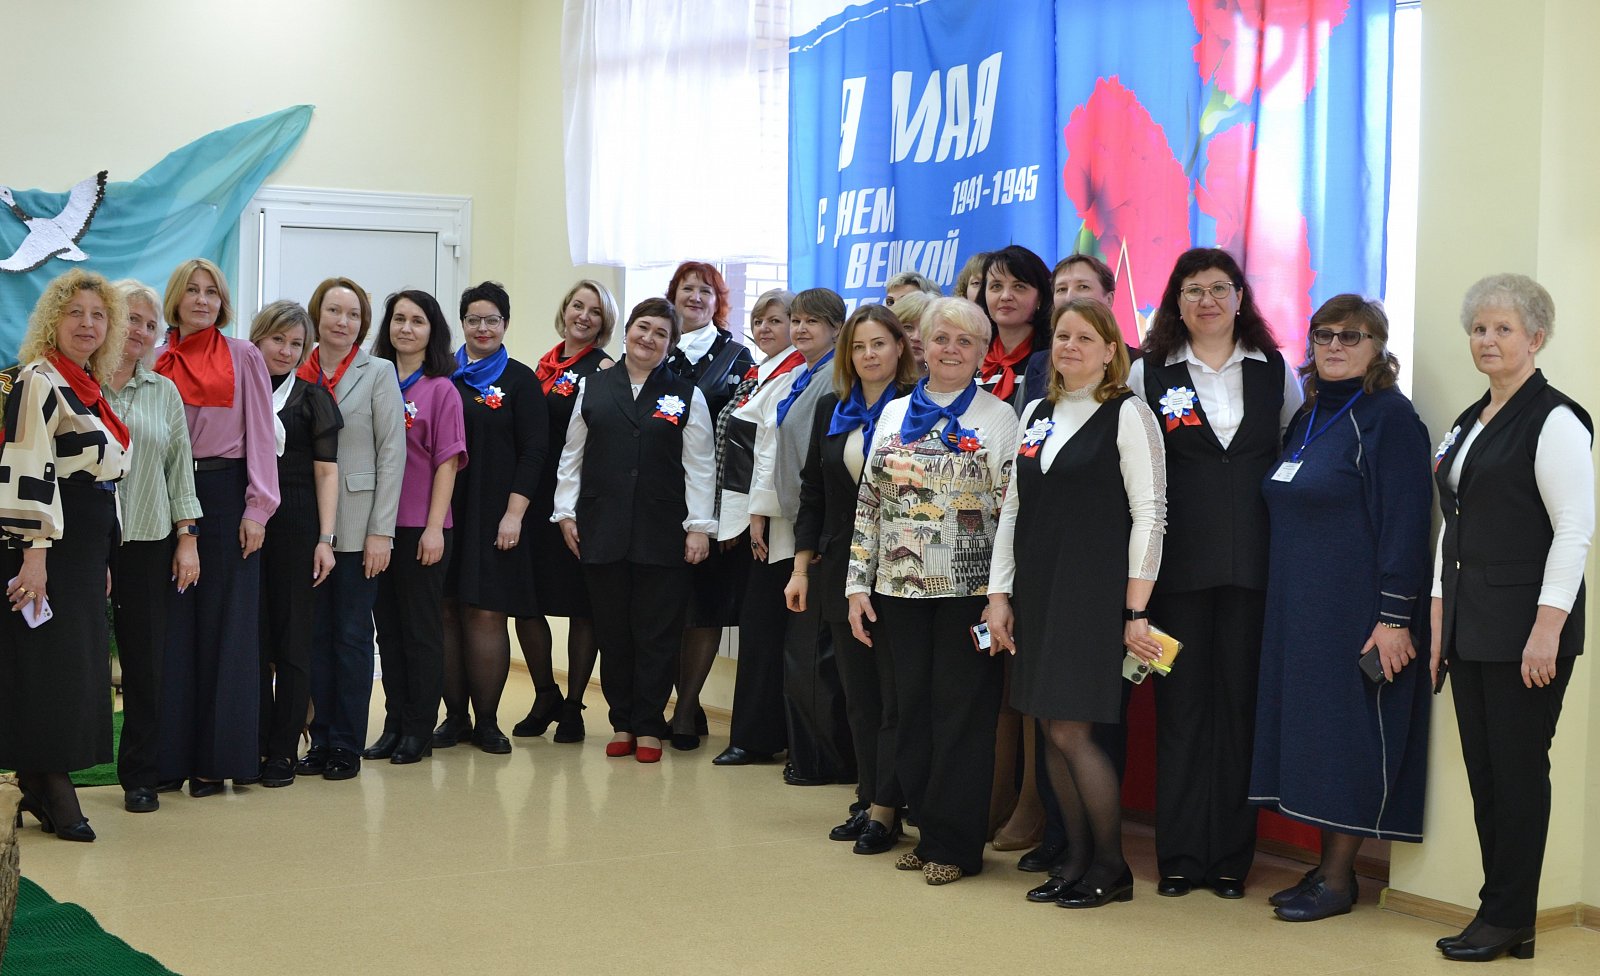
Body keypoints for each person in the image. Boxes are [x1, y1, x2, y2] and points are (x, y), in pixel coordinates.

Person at [1250, 295, 1433, 922]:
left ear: (1377, 347)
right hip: (1300, 611)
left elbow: (1407, 524)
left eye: (1351, 336)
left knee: (1347, 738)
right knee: (1315, 738)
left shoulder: (1390, 419)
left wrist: (1394, 617)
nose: (1334, 346)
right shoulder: (1308, 415)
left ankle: (1337, 879)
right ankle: (1323, 869)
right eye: (1324, 334)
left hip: (1357, 615)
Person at [1429, 274, 1593, 961]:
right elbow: (1454, 524)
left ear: (1536, 338)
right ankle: (1501, 913)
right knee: (1488, 776)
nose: (1487, 340)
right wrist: (1438, 618)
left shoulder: (1555, 419)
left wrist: (1546, 630)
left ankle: (1508, 915)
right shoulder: (1471, 420)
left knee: (1519, 775)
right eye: (1479, 329)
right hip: (1471, 626)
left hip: (1528, 630)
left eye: (1503, 329)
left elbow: (1574, 531)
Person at [1130, 247, 1302, 898]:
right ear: (1176, 302)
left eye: (1219, 288)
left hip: (1254, 573)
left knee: (1237, 712)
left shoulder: (1273, 369)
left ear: (1240, 297)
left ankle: (1231, 860)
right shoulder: (1150, 372)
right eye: (1193, 289)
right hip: (1174, 575)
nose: (1207, 301)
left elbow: (1290, 455)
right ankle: (1179, 857)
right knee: (1179, 712)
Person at [987, 297, 1166, 908]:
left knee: (1070, 729)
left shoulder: (1129, 412)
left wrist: (1136, 610)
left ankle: (1112, 867)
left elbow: (1150, 514)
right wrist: (999, 595)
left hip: (1093, 593)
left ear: (1111, 350)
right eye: (1062, 336)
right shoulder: (1037, 411)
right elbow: (1013, 508)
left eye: (1085, 337)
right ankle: (1076, 859)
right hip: (1038, 590)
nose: (1069, 346)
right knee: (1049, 727)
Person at [846, 296, 1022, 885]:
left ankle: (957, 845)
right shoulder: (895, 412)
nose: (951, 350)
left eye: (965, 341)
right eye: (941, 338)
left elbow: (1011, 512)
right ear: (922, 345)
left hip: (969, 595)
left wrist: (999, 594)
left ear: (982, 352)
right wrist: (857, 584)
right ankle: (927, 831)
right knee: (911, 714)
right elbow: (870, 502)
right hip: (896, 592)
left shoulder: (1000, 418)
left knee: (962, 718)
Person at [553, 298, 716, 764]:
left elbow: (700, 465)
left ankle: (648, 724)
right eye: (643, 328)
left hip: (663, 531)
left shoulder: (686, 393)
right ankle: (621, 721)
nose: (649, 338)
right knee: (613, 632)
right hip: (601, 527)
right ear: (626, 331)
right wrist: (565, 513)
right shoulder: (594, 386)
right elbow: (572, 455)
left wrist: (699, 527)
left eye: (661, 333)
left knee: (657, 633)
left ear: (671, 344)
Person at [2, 269, 132, 842]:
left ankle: (36, 780)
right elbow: (28, 465)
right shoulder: (38, 379)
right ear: (53, 320)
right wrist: (34, 554)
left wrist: (103, 555)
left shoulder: (88, 388)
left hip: (83, 544)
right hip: (47, 542)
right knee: (50, 666)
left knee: (74, 664)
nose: (87, 323)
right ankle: (52, 785)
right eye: (75, 312)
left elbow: (105, 477)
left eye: (98, 315)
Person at [788, 304, 919, 852]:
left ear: (900, 348)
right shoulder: (831, 407)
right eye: (859, 346)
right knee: (858, 694)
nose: (869, 355)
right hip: (842, 569)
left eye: (879, 344)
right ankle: (868, 797)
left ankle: (889, 807)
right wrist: (800, 568)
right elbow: (813, 492)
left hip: (905, 569)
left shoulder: (918, 406)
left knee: (894, 695)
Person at [154, 259, 279, 796]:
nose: (202, 300)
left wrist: (258, 509)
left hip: (227, 497)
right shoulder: (156, 360)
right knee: (174, 633)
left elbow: (261, 436)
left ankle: (216, 761)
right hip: (166, 500)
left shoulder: (243, 355)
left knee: (228, 632)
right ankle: (169, 758)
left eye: (212, 292)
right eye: (192, 291)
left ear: (222, 302)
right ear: (176, 300)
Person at [296, 276, 405, 781]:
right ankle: (318, 739)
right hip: (305, 522)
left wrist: (382, 531)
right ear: (317, 315)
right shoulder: (298, 366)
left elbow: (392, 453)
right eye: (334, 311)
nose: (343, 322)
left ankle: (345, 743)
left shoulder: (378, 371)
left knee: (352, 635)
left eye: (354, 314)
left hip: (360, 525)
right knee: (314, 635)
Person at [437, 281, 548, 755]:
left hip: (497, 514)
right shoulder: (442, 374)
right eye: (473, 320)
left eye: (492, 320)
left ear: (505, 324)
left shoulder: (521, 380)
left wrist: (514, 514)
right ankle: (455, 718)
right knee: (446, 611)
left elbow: (535, 452)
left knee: (486, 612)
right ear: (462, 323)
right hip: (443, 512)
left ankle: (486, 721)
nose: (482, 328)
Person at [104, 279, 201, 813]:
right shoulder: (76, 384)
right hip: (82, 544)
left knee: (145, 665)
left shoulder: (163, 391)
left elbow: (179, 469)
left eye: (149, 324)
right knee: (77, 661)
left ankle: (140, 774)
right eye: (130, 318)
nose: (140, 331)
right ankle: (55, 769)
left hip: (148, 540)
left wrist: (187, 538)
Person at [749, 289, 853, 778]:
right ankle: (806, 752)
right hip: (796, 520)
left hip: (824, 529)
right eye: (797, 319)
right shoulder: (800, 375)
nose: (801, 328)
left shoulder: (837, 379)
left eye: (814, 320)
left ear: (837, 327)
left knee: (814, 652)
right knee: (802, 649)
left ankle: (821, 758)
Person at [365, 290, 467, 765]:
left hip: (421, 528)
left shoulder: (441, 390)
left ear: (432, 332)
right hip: (378, 529)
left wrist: (434, 528)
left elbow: (448, 463)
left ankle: (418, 730)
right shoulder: (376, 381)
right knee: (387, 631)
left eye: (417, 321)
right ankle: (393, 724)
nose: (406, 328)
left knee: (420, 632)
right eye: (398, 319)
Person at [513, 280, 616, 744]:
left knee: (581, 607)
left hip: (576, 503)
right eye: (578, 306)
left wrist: (576, 506)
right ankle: (545, 694)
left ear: (604, 322)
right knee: (526, 602)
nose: (584, 316)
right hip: (533, 500)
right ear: (565, 309)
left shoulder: (604, 368)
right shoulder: (545, 364)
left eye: (595, 311)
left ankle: (573, 706)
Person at [248, 301, 340, 788]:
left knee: (292, 644)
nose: (285, 351)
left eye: (296, 344)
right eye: (277, 340)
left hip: (299, 529)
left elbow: (327, 472)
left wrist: (326, 539)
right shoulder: (239, 391)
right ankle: (254, 744)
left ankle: (283, 751)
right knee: (253, 641)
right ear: (257, 339)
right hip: (247, 527)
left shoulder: (312, 398)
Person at [663, 261, 755, 746]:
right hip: (658, 501)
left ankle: (686, 710)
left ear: (719, 301)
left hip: (714, 506)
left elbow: (743, 439)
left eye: (706, 290)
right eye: (687, 289)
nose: (695, 297)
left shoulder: (738, 357)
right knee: (664, 608)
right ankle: (683, 704)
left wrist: (730, 516)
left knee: (703, 607)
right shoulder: (654, 347)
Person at [713, 289, 804, 765]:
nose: (765, 328)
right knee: (758, 630)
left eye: (776, 320)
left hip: (772, 522)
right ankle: (756, 733)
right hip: (749, 519)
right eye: (758, 321)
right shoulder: (760, 372)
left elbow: (768, 452)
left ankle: (758, 736)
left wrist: (754, 516)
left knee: (765, 631)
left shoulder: (796, 375)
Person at [1021, 253, 1123, 405]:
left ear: (1109, 299)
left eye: (1083, 287)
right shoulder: (1038, 364)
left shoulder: (1139, 366)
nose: (1069, 297)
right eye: (1061, 289)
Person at [976, 245, 1053, 414]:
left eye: (1019, 286)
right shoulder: (972, 353)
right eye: (996, 286)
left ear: (1040, 297)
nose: (1005, 296)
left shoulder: (1053, 359)